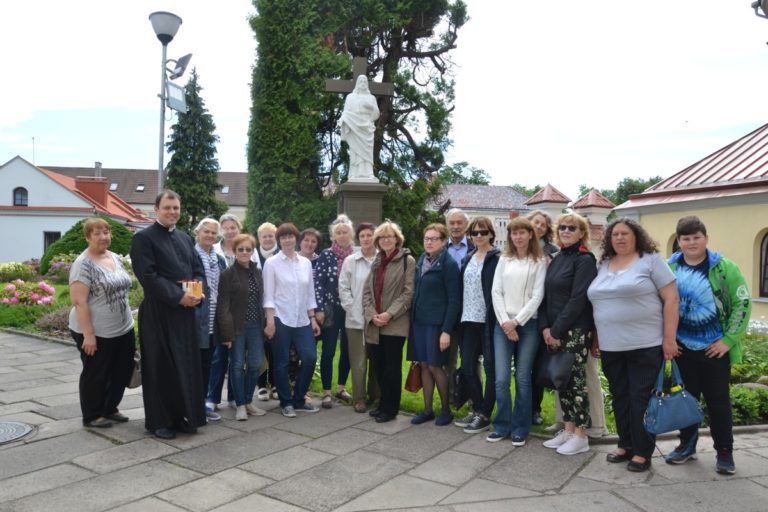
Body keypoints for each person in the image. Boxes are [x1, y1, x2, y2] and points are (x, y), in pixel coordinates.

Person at [587, 218, 679, 472]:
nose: (619, 238)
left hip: (645, 344)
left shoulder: (651, 261)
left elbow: (672, 299)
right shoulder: (603, 264)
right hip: (611, 346)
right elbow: (598, 305)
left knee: (641, 399)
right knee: (620, 397)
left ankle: (642, 451)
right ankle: (625, 444)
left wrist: (669, 339)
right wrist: (596, 338)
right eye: (614, 234)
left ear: (636, 235)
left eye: (625, 233)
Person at [665, 216, 751, 475]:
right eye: (686, 238)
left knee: (718, 402)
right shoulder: (669, 268)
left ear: (706, 238)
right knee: (686, 401)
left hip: (714, 349)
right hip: (682, 348)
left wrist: (727, 341)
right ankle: (686, 446)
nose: (691, 243)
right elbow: (659, 304)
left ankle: (724, 451)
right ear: (679, 242)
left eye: (696, 237)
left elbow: (742, 304)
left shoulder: (725, 268)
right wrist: (668, 339)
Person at [130, 191, 206, 440]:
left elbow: (197, 269)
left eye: (176, 207)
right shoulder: (144, 239)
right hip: (159, 313)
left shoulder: (184, 238)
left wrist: (197, 291)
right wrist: (177, 296)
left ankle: (183, 416)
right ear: (156, 209)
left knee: (184, 366)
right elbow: (148, 276)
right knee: (160, 367)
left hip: (184, 314)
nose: (173, 212)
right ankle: (159, 421)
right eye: (168, 207)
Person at [539, 213, 597, 455]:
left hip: (574, 330)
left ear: (581, 232)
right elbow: (545, 294)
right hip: (553, 330)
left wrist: (556, 329)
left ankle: (582, 435)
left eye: (572, 228)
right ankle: (569, 429)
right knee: (562, 381)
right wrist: (545, 328)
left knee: (576, 382)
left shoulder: (585, 260)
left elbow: (578, 299)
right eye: (562, 227)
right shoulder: (557, 257)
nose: (566, 231)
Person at [69, 217, 135, 428]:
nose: (103, 237)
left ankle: (110, 407)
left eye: (106, 232)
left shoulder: (115, 257)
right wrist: (89, 335)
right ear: (88, 237)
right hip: (96, 330)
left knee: (122, 370)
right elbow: (79, 302)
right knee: (96, 373)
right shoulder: (83, 264)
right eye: (97, 233)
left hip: (123, 327)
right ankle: (92, 414)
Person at [488, 217, 547, 444]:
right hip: (502, 324)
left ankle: (521, 427)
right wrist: (505, 322)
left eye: (522, 232)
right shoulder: (504, 259)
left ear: (530, 235)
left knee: (523, 378)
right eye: (514, 233)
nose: (518, 237)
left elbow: (537, 296)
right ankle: (502, 425)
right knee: (501, 379)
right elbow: (496, 292)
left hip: (528, 325)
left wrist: (517, 322)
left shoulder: (539, 261)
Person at [263, 223, 321, 417]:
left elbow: (309, 294)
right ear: (279, 241)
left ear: (296, 239)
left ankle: (299, 398)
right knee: (281, 362)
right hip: (281, 317)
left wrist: (312, 318)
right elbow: (268, 295)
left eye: (290, 236)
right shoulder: (271, 263)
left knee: (310, 357)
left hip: (302, 319)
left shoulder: (305, 263)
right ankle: (286, 402)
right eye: (283, 237)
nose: (287, 240)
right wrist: (270, 321)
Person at [362, 221, 416, 423]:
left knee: (392, 368)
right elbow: (367, 291)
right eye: (382, 237)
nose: (386, 240)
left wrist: (388, 314)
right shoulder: (377, 261)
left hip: (395, 324)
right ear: (378, 241)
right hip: (375, 323)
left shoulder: (407, 261)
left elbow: (408, 293)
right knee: (379, 365)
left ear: (397, 240)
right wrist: (371, 315)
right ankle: (383, 403)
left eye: (390, 237)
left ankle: (391, 408)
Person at [409, 223, 461, 426]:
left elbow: (454, 300)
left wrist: (446, 330)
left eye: (434, 239)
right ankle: (428, 410)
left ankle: (446, 410)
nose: (429, 242)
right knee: (423, 364)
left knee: (435, 366)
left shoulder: (448, 264)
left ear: (444, 241)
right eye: (426, 238)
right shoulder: (423, 259)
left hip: (437, 325)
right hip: (419, 322)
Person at [454, 216, 500, 434]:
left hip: (489, 321)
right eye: (474, 233)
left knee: (490, 368)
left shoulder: (498, 258)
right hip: (468, 319)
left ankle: (485, 414)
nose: (479, 236)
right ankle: (477, 408)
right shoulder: (468, 258)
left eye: (483, 232)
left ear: (491, 233)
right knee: (467, 367)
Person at [217, 234, 267, 421]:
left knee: (255, 364)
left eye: (248, 249)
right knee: (237, 365)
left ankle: (248, 401)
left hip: (255, 327)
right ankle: (240, 405)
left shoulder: (257, 272)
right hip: (236, 328)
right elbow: (223, 307)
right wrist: (227, 334)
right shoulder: (227, 275)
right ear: (234, 251)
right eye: (241, 249)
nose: (245, 252)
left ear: (253, 251)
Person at [314, 214, 355, 408]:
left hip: (350, 310)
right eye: (338, 232)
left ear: (351, 234)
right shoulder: (326, 255)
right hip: (330, 310)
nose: (342, 235)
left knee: (347, 350)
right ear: (333, 236)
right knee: (329, 351)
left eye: (345, 232)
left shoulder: (356, 256)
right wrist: (319, 309)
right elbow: (318, 284)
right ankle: (327, 392)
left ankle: (340, 388)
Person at [339, 222, 380, 413]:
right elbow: (344, 288)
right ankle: (359, 398)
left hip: (379, 320)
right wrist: (352, 309)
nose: (366, 239)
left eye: (369, 235)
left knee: (377, 361)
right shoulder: (351, 261)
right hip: (356, 320)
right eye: (362, 235)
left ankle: (376, 396)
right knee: (359, 361)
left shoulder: (382, 259)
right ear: (358, 239)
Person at [207, 213, 241, 412]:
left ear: (238, 228)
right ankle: (212, 397)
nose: (229, 231)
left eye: (233, 227)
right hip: (220, 311)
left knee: (237, 357)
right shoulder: (215, 252)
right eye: (226, 227)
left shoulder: (246, 248)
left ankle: (234, 397)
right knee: (219, 356)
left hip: (240, 312)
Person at [527, 210, 558, 427]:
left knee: (536, 366)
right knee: (521, 366)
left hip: (542, 313)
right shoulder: (517, 247)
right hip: (517, 313)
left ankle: (534, 409)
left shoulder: (553, 251)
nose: (539, 227)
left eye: (543, 225)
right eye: (536, 222)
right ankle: (520, 406)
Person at [194, 218, 226, 423]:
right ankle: (194, 404)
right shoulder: (190, 256)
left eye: (214, 233)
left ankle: (203, 403)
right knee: (195, 363)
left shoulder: (219, 259)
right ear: (198, 232)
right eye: (206, 232)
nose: (210, 236)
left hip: (214, 319)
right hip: (197, 318)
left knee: (208, 363)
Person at [444, 208, 473, 404]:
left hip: (470, 312)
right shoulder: (440, 249)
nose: (455, 226)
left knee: (471, 360)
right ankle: (451, 399)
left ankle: (473, 400)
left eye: (459, 223)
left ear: (466, 225)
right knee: (448, 360)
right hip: (446, 313)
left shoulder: (474, 248)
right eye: (452, 223)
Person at [339, 74, 380, 181]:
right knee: (354, 150)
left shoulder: (371, 98)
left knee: (367, 151)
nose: (362, 83)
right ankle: (354, 174)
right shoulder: (350, 97)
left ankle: (368, 173)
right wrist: (343, 120)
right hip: (354, 126)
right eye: (360, 81)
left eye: (364, 81)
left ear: (367, 84)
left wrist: (370, 106)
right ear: (357, 83)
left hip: (367, 128)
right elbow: (346, 112)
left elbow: (376, 114)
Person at [255, 222, 278, 401]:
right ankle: (261, 385)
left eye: (271, 235)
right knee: (260, 347)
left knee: (276, 346)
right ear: (259, 238)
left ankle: (276, 383)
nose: (268, 239)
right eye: (265, 236)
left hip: (278, 308)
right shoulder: (253, 255)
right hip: (256, 308)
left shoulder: (281, 255)